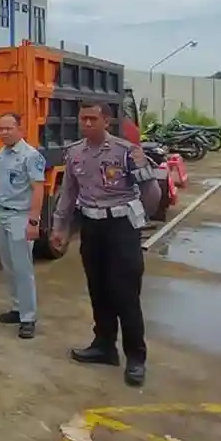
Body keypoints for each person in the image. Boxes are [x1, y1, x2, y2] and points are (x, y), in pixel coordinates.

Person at [50, 102, 161, 386]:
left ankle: (136, 357)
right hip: (91, 227)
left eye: (92, 119)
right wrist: (60, 227)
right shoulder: (74, 152)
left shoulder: (126, 153)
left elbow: (152, 191)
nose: (86, 124)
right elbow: (68, 193)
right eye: (82, 119)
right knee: (98, 290)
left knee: (125, 294)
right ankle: (104, 345)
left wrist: (140, 220)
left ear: (106, 121)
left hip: (121, 227)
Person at [0, 111, 46, 339]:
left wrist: (33, 221)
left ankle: (28, 318)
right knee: (9, 266)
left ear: (21, 130)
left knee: (23, 269)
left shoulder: (31, 156)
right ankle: (18, 308)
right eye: (0, 128)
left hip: (21, 217)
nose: (4, 132)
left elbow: (39, 188)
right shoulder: (2, 154)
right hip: (3, 215)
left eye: (9, 128)